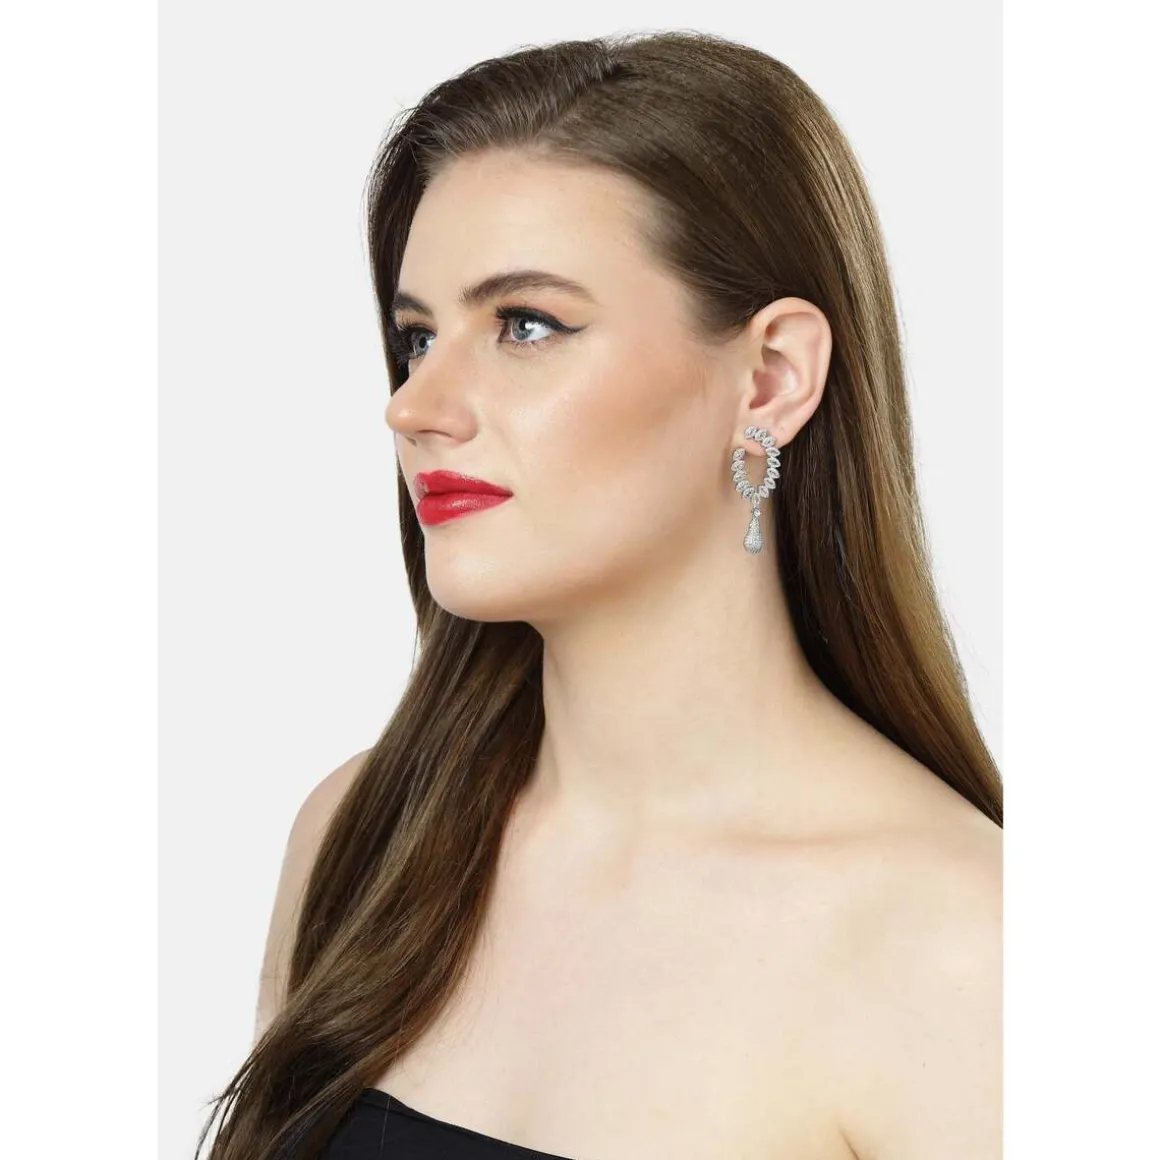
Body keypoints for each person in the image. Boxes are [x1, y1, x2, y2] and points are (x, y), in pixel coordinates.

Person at [197, 28, 1001, 1160]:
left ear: (770, 379)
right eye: (416, 336)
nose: (414, 405)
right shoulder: (363, 838)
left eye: (525, 324)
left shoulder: (963, 951)